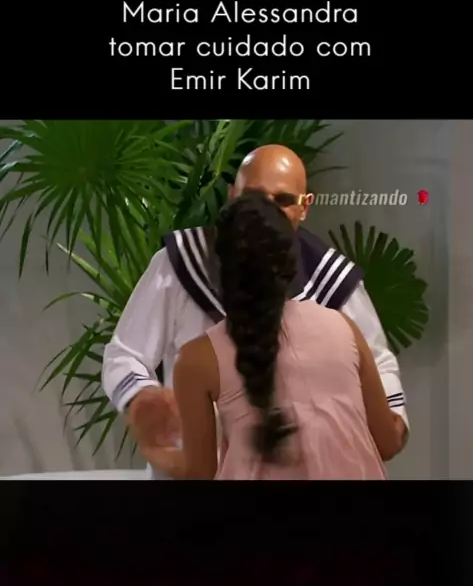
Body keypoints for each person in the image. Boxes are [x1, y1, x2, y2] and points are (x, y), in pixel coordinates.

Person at [101, 145, 409, 476]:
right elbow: (125, 354)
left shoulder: (334, 286)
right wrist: (141, 397)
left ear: (304, 207)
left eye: (282, 200)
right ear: (232, 196)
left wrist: (393, 422)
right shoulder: (178, 267)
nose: (266, 212)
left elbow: (380, 371)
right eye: (255, 197)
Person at [148, 191, 398, 479]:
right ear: (292, 262)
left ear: (217, 270)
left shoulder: (197, 360)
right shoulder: (344, 328)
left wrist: (154, 451)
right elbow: (388, 443)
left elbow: (200, 473)